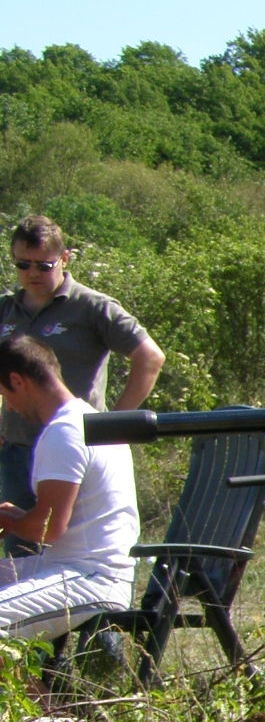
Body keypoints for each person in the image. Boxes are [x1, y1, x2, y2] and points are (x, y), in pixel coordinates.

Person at [0, 215, 163, 518]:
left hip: (75, 448)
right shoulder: (5, 308)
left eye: (43, 265)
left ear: (64, 259)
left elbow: (150, 358)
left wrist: (114, 425)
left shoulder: (92, 307)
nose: (32, 273)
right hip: (19, 450)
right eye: (23, 264)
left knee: (70, 536)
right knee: (20, 541)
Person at [0, 334, 140, 638]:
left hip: (92, 578)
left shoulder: (65, 432)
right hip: (71, 566)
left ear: (17, 381)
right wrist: (17, 517)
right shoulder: (90, 421)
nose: (8, 407)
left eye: (4, 395)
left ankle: (33, 674)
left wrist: (8, 521)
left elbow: (47, 529)